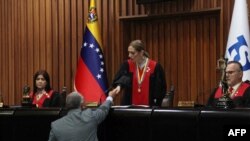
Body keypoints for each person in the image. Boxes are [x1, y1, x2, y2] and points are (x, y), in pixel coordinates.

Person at [110, 39, 166, 107]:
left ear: (141, 52)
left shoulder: (155, 67)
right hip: (129, 108)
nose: (129, 55)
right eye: (129, 52)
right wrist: (119, 86)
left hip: (149, 109)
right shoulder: (127, 65)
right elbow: (122, 78)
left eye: (132, 53)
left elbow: (160, 90)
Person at [48, 90, 118, 141]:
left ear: (67, 106)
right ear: (82, 105)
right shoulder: (90, 116)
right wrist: (110, 97)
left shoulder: (56, 125)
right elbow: (103, 109)